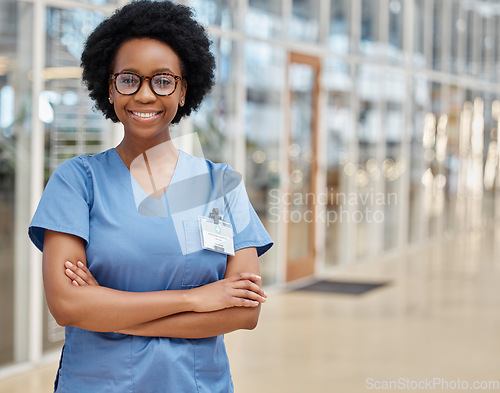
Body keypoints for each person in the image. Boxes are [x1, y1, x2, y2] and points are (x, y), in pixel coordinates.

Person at [28, 1, 273, 392]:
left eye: (162, 80)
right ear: (110, 88)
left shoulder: (220, 184)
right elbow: (67, 306)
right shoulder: (77, 181)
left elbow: (244, 313)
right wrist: (198, 299)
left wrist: (109, 314)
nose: (144, 95)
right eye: (129, 79)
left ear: (183, 91)